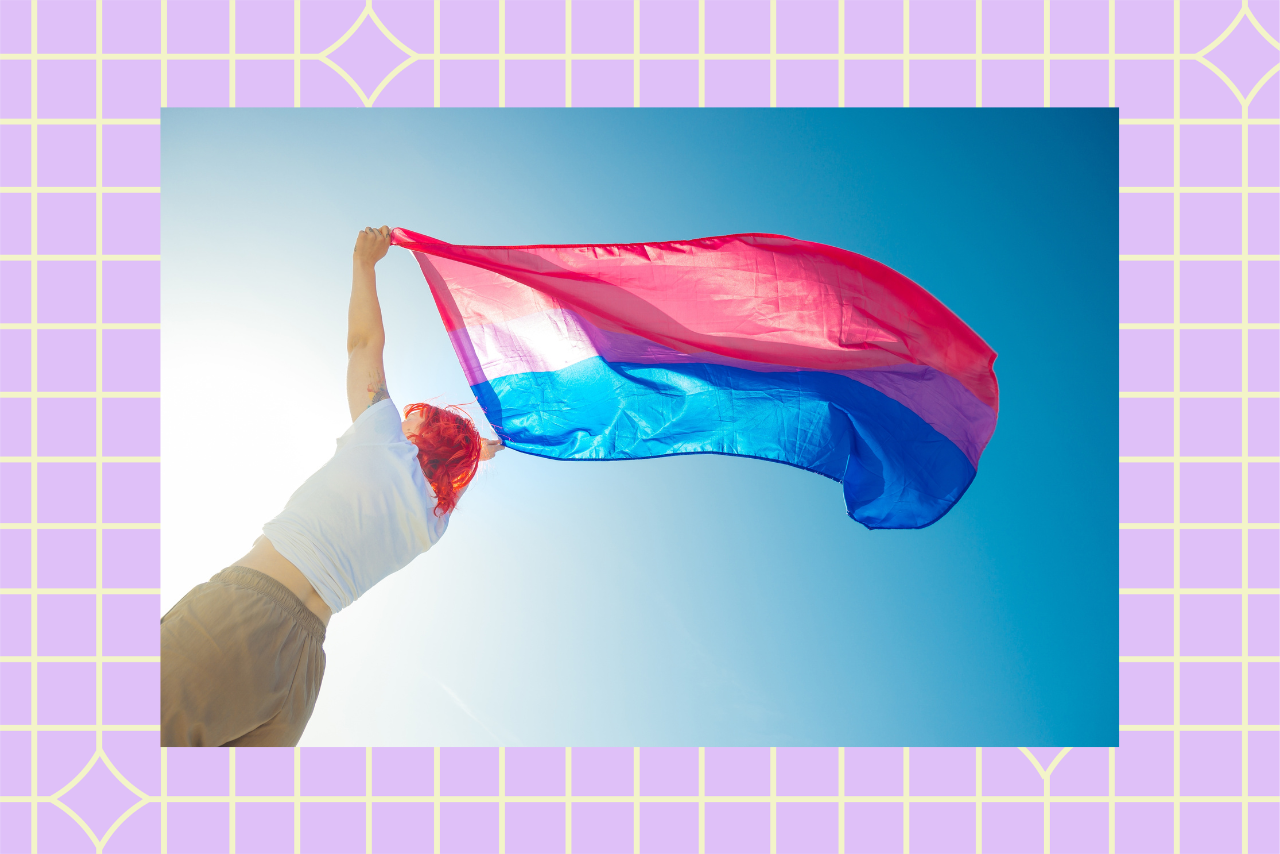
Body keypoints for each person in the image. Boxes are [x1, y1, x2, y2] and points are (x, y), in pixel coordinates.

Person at [160, 226, 503, 747]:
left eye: (411, 419)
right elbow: (460, 465)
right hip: (298, 681)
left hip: (236, 620)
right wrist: (484, 447)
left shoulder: (383, 438)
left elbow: (364, 343)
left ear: (416, 434)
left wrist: (363, 264)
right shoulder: (434, 522)